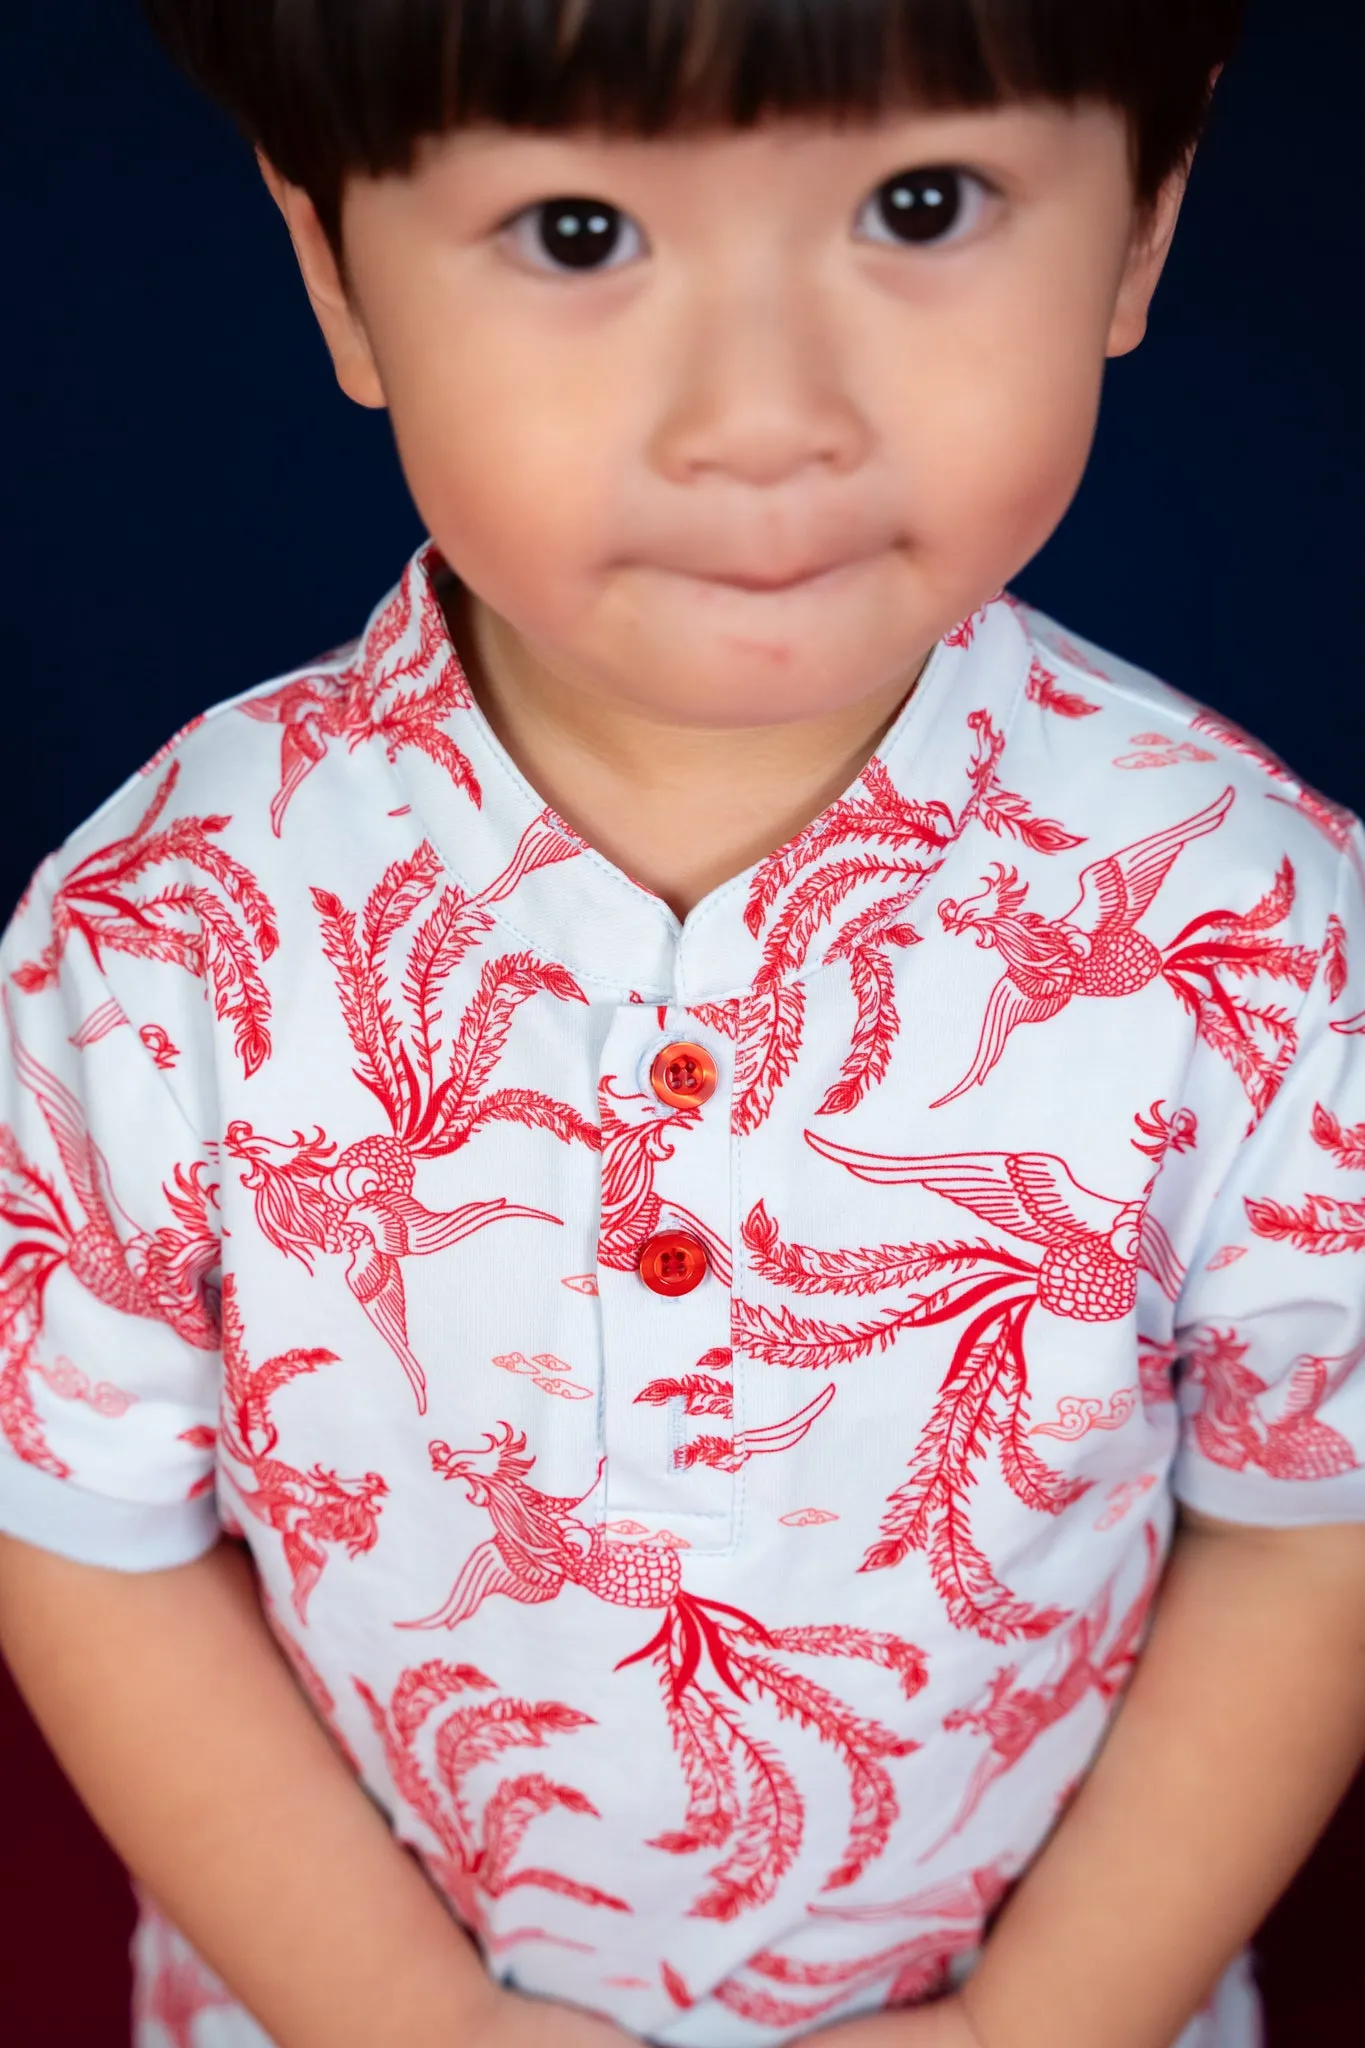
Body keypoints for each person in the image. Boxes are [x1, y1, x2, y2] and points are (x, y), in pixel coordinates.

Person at [2, 3, 1363, 2045]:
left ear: (1145, 225)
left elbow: (1315, 1519)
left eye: (920, 206)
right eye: (574, 234)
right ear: (334, 272)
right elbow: (81, 1528)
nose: (758, 415)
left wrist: (1049, 2020)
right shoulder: (158, 930)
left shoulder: (1254, 925)